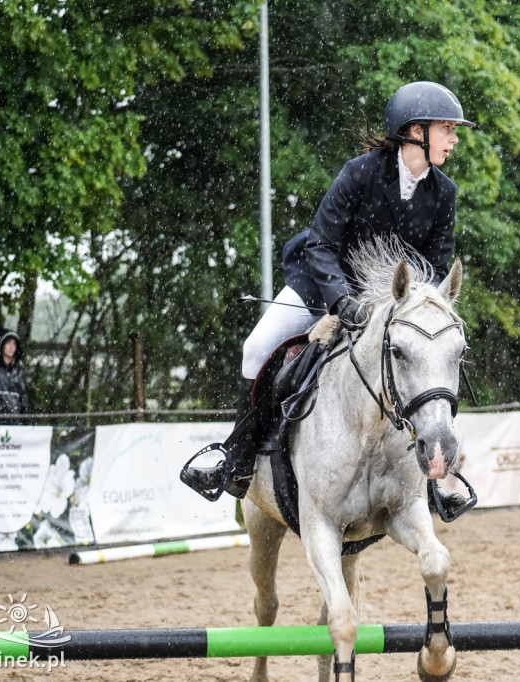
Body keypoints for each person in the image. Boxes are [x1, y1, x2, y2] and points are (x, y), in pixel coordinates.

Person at [185, 81, 474, 513]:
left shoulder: (444, 192)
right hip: (322, 285)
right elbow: (320, 245)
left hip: (390, 305)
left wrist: (413, 309)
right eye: (447, 129)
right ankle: (237, 457)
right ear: (416, 131)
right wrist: (341, 302)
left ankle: (433, 477)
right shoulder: (360, 172)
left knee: (430, 354)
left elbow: (433, 269)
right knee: (256, 346)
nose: (453, 139)